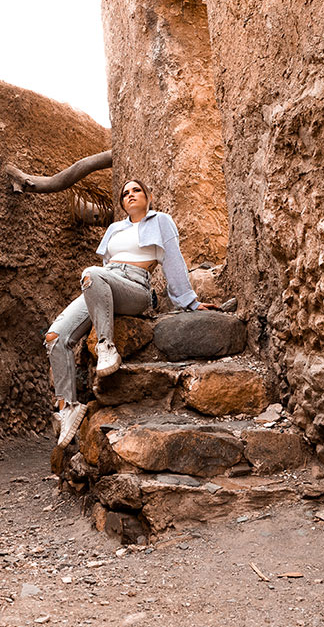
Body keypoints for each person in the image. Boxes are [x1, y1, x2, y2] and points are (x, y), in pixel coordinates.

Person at [44, 179, 208, 446]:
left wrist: (189, 301)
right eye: (125, 193)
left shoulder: (161, 221)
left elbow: (174, 261)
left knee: (91, 274)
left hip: (135, 286)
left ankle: (106, 346)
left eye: (136, 191)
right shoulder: (114, 228)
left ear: (148, 196)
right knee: (54, 337)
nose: (130, 195)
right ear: (122, 202)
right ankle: (67, 407)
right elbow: (104, 269)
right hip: (103, 282)